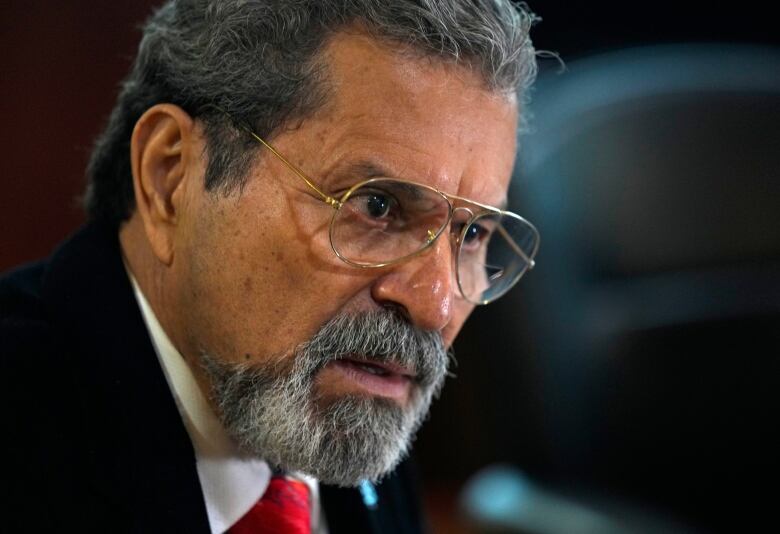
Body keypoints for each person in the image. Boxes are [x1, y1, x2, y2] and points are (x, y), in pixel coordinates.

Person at [0, 0, 540, 532]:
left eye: (472, 234)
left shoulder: (338, 399)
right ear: (170, 178)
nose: (435, 304)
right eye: (376, 206)